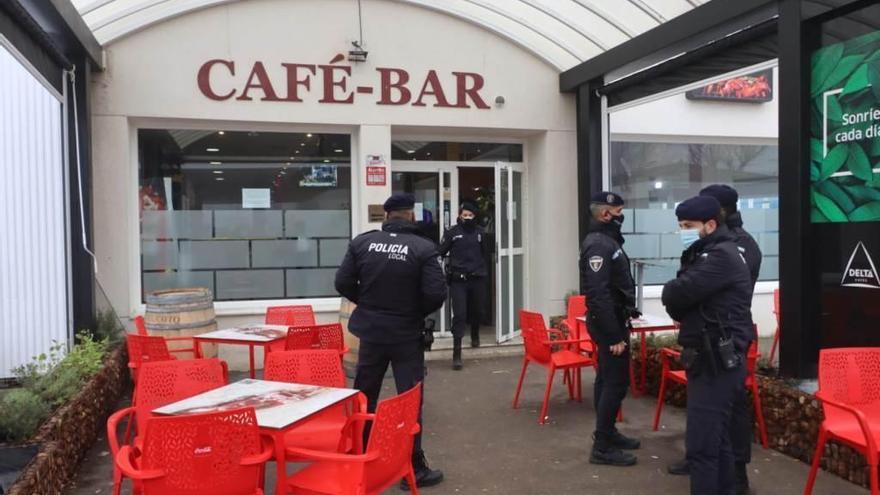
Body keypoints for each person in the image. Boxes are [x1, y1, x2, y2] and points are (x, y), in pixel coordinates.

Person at [334, 193, 448, 490]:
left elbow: (342, 283)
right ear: (411, 215)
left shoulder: (363, 242)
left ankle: (361, 456)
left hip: (371, 332)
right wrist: (412, 311)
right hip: (405, 334)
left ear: (387, 216)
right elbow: (436, 294)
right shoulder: (424, 248)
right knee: (409, 400)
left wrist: (368, 304)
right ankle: (412, 466)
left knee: (364, 394)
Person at [666, 185, 763, 495]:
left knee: (703, 447)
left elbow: (674, 294)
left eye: (689, 227)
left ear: (710, 225)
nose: (683, 232)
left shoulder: (722, 255)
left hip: (716, 360)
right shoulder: (706, 251)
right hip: (708, 358)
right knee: (717, 443)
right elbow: (681, 297)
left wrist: (678, 293)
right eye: (681, 227)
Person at [580, 191, 641, 467]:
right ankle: (602, 446)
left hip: (614, 320)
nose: (621, 217)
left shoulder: (606, 241)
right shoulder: (599, 245)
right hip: (609, 324)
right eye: (618, 212)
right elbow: (598, 293)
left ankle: (608, 433)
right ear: (606, 214)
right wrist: (614, 334)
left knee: (607, 379)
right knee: (615, 383)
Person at [438, 200, 490, 369]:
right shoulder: (452, 232)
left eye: (470, 215)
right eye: (464, 215)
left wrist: (483, 273)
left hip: (477, 279)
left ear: (475, 216)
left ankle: (475, 334)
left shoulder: (481, 232)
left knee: (478, 310)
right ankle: (457, 353)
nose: (467, 218)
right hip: (458, 280)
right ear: (459, 215)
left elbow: (486, 254)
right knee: (459, 315)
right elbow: (441, 251)